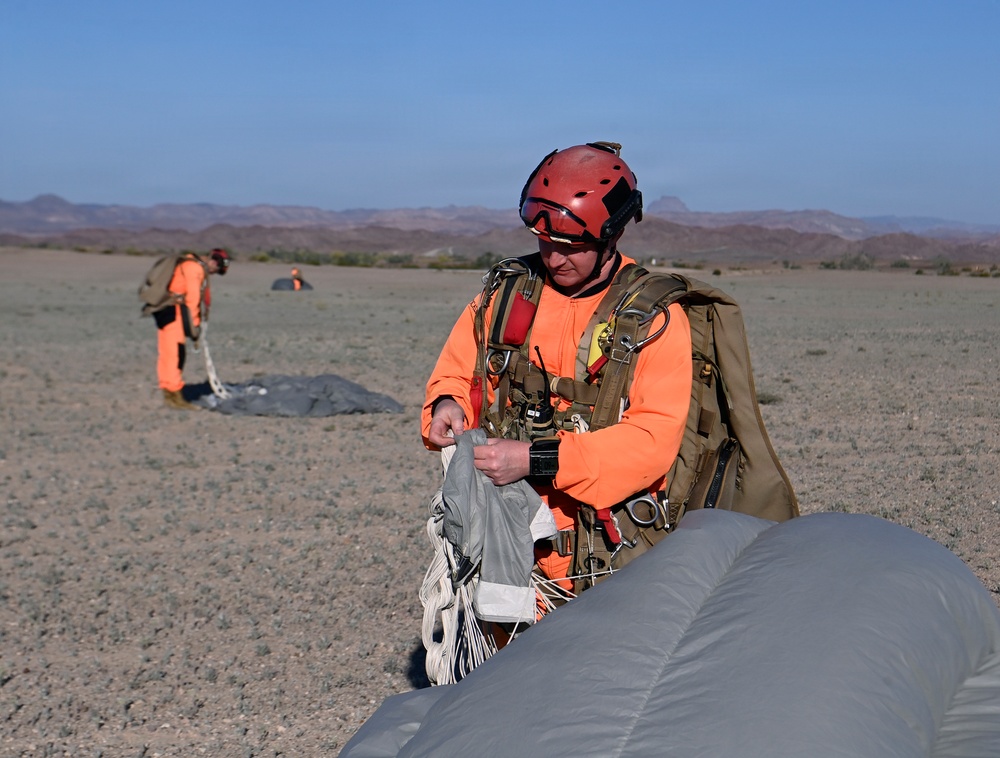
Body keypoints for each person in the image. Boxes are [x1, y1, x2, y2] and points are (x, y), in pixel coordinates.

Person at [422, 142, 693, 598]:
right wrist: (446, 402)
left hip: (604, 557)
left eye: (572, 247)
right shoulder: (506, 296)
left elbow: (652, 442)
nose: (554, 258)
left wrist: (534, 459)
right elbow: (456, 369)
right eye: (544, 243)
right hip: (500, 541)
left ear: (612, 236)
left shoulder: (653, 319)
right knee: (500, 667)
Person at [155, 248, 230, 409]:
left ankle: (169, 389)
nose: (213, 274)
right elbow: (193, 298)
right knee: (174, 353)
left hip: (167, 311)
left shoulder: (189, 263)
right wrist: (194, 325)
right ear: (214, 262)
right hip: (172, 312)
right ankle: (173, 396)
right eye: (216, 270)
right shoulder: (194, 268)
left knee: (170, 352)